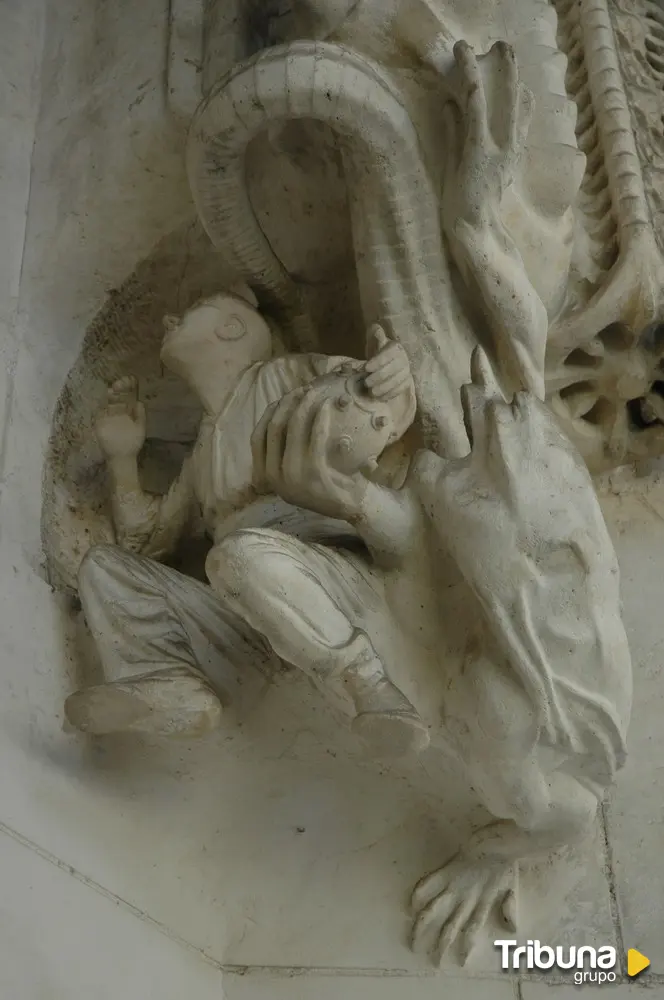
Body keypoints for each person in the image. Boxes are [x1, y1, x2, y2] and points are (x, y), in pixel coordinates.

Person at [65, 286, 428, 754]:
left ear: (232, 328)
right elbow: (147, 543)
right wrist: (122, 459)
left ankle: (368, 683)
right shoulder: (203, 450)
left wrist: (393, 379)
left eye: (190, 311)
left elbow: (361, 398)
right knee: (104, 567)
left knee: (236, 556)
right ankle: (172, 683)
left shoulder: (279, 378)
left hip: (324, 576)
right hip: (244, 600)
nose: (169, 320)